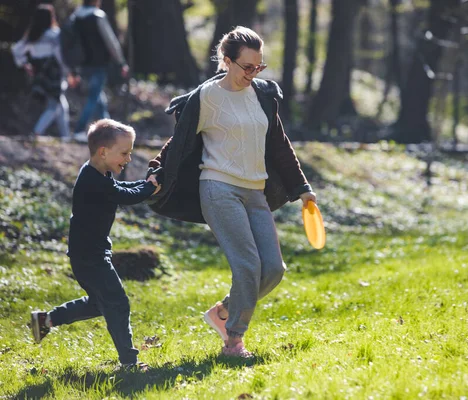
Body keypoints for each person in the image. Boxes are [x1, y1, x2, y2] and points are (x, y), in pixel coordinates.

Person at [146, 26, 317, 358]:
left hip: (256, 192)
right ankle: (233, 341)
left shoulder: (262, 95)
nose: (253, 74)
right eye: (247, 67)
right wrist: (156, 169)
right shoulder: (207, 98)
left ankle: (222, 312)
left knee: (273, 269)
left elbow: (280, 145)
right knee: (248, 266)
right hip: (218, 188)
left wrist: (302, 189)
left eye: (259, 67)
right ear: (227, 61)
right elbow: (178, 142)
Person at [30, 118, 161, 371]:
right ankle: (129, 364)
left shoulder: (98, 174)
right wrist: (148, 189)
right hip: (90, 257)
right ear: (103, 151)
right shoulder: (93, 181)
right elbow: (123, 195)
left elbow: (119, 188)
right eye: (124, 153)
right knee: (118, 304)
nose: (129, 159)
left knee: (100, 302)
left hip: (88, 255)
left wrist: (146, 187)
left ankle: (46, 320)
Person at [11, 4, 75, 142]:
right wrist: (68, 72)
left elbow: (16, 50)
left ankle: (66, 137)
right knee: (53, 105)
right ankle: (36, 132)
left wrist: (24, 64)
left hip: (39, 73)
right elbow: (60, 56)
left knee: (60, 103)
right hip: (53, 73)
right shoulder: (54, 34)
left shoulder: (33, 34)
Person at [70, 0, 129, 141]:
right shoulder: (98, 16)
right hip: (99, 63)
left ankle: (109, 131)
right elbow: (110, 41)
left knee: (98, 96)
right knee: (93, 96)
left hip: (82, 63)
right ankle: (79, 130)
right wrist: (121, 62)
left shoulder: (76, 17)